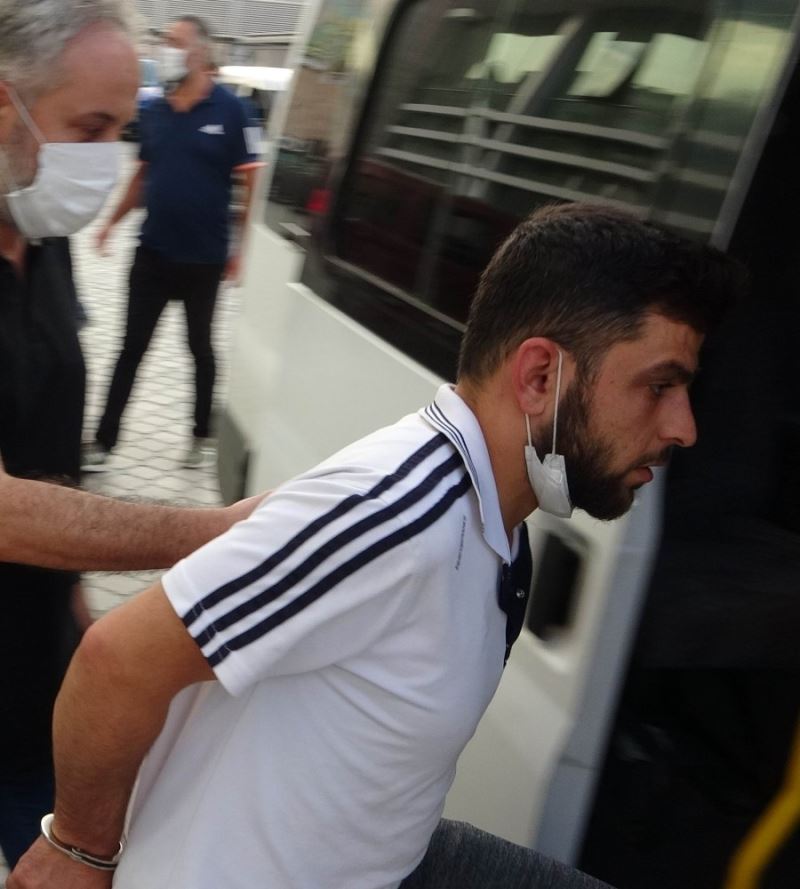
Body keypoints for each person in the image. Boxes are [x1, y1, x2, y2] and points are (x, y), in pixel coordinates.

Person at [8, 203, 744, 889]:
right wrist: (78, 851)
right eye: (658, 386)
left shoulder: (494, 520)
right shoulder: (395, 514)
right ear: (540, 376)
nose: (683, 428)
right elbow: (117, 660)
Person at [0, 0, 262, 868]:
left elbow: (46, 449)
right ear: (4, 107)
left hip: (31, 683)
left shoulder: (40, 238)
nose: (108, 156)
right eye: (90, 127)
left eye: (120, 130)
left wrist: (74, 608)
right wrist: (217, 529)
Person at [82, 14, 262, 471]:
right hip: (153, 254)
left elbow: (252, 185)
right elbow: (142, 176)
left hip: (204, 260)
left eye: (175, 42)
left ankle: (201, 435)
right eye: (164, 40)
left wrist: (240, 252)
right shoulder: (155, 111)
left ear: (199, 51)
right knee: (130, 349)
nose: (166, 49)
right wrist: (110, 224)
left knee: (200, 349)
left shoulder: (232, 110)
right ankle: (103, 442)